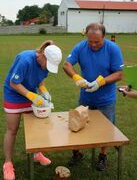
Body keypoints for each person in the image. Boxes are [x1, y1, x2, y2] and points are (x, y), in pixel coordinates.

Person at [63, 23, 124, 171]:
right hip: (86, 98)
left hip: (106, 99)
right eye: (90, 41)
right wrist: (77, 77)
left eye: (97, 42)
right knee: (79, 126)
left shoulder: (113, 49)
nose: (93, 45)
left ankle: (102, 156)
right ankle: (78, 153)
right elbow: (66, 65)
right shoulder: (81, 47)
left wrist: (100, 82)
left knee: (105, 130)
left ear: (104, 37)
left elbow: (119, 74)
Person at [3, 40, 62, 180]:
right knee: (12, 129)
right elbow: (13, 83)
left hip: (31, 94)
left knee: (35, 128)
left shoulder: (45, 64)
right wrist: (31, 95)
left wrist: (43, 90)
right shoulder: (25, 60)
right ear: (42, 55)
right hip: (13, 94)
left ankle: (36, 154)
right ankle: (8, 163)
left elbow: (40, 79)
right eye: (47, 65)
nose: (47, 68)